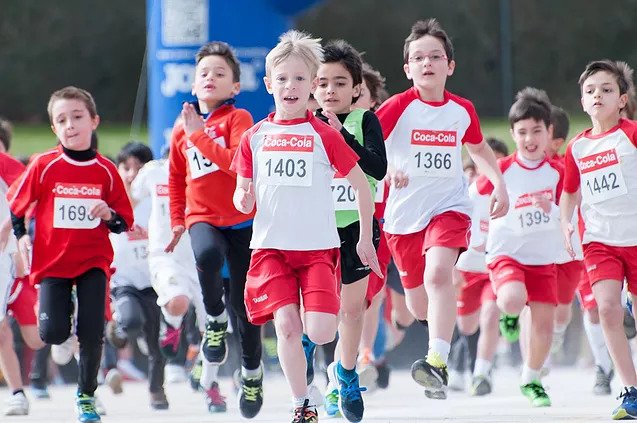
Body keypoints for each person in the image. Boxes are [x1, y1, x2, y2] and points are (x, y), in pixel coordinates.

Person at [231, 29, 381, 423]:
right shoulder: (254, 138)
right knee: (286, 326)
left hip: (317, 249)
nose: (291, 86)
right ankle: (302, 404)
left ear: (312, 85)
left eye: (300, 79)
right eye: (282, 79)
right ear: (268, 85)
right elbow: (241, 189)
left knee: (321, 334)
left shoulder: (324, 135)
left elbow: (362, 188)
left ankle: (328, 372)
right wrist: (242, 198)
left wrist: (365, 237)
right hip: (271, 250)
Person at [375, 18, 508, 399]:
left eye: (435, 56)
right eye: (418, 58)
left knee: (439, 277)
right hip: (403, 220)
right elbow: (365, 148)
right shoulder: (396, 107)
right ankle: (436, 345)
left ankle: (437, 360)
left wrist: (499, 183)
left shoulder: (461, 110)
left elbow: (478, 149)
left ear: (450, 65)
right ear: (407, 68)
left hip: (449, 207)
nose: (427, 63)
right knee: (419, 304)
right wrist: (389, 170)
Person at [7, 86, 134, 423]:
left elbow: (124, 223)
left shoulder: (106, 170)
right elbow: (17, 207)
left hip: (93, 261)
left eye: (77, 117)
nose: (70, 125)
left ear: (94, 121)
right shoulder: (44, 165)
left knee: (92, 330)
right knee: (52, 334)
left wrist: (108, 214)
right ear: (53, 128)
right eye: (61, 120)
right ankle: (63, 334)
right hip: (52, 263)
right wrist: (20, 238)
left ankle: (86, 396)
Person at [167, 41, 263, 418]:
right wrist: (177, 220)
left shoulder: (238, 120)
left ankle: (252, 372)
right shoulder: (182, 130)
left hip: (242, 221)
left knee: (246, 305)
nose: (210, 77)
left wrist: (199, 136)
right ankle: (213, 319)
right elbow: (177, 180)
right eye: (203, 73)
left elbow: (236, 165)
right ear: (193, 85)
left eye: (220, 73)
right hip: (201, 216)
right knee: (205, 255)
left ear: (235, 87)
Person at [305, 39, 386, 422]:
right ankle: (311, 377)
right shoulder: (304, 124)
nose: (329, 91)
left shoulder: (365, 120)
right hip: (314, 229)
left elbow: (376, 168)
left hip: (357, 226)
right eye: (322, 83)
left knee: (352, 310)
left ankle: (347, 374)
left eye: (339, 83)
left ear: (356, 88)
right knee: (318, 310)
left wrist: (342, 134)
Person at [560, 60, 637, 420]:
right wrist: (565, 224)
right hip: (600, 242)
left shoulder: (632, 135)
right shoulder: (576, 147)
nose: (597, 96)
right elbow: (570, 193)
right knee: (606, 309)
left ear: (622, 100)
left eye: (606, 90)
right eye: (591, 91)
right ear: (581, 100)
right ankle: (629, 388)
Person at [476, 87, 563, 407]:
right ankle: (509, 315)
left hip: (542, 259)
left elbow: (570, 212)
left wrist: (550, 210)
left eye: (537, 131)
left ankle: (531, 377)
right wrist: (472, 243)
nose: (530, 139)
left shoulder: (559, 173)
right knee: (512, 300)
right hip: (506, 252)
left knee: (544, 328)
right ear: (512, 133)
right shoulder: (503, 170)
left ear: (549, 132)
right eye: (522, 132)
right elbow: (475, 197)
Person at [106, 142, 169, 410]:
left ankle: (157, 391)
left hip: (154, 281)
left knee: (157, 344)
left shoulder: (157, 202)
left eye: (139, 168)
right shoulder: (111, 203)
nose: (132, 174)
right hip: (125, 282)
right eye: (126, 167)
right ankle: (119, 328)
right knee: (131, 323)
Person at [452, 137, 509, 396]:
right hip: (466, 267)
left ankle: (481, 373)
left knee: (490, 316)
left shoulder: (509, 192)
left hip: (494, 267)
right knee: (466, 326)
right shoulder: (467, 190)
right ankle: (459, 363)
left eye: (497, 162)